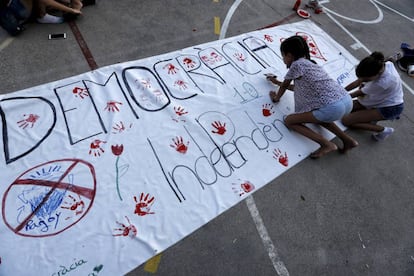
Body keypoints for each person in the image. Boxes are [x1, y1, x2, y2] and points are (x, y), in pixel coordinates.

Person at [267, 35, 358, 159]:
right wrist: (277, 82)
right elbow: (297, 88)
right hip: (346, 100)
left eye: (283, 56)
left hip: (332, 108)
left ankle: (326, 144)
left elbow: (284, 86)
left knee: (290, 121)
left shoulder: (296, 65)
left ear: (289, 55)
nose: (283, 59)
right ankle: (348, 140)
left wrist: (276, 98)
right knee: (320, 116)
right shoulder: (311, 64)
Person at [341, 52, 404, 141]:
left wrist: (339, 96)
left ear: (376, 74)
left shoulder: (382, 82)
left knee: (346, 120)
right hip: (379, 99)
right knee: (346, 107)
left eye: (366, 79)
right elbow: (359, 81)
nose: (363, 80)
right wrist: (341, 91)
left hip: (390, 108)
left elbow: (359, 92)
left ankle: (383, 130)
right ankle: (370, 117)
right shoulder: (381, 65)